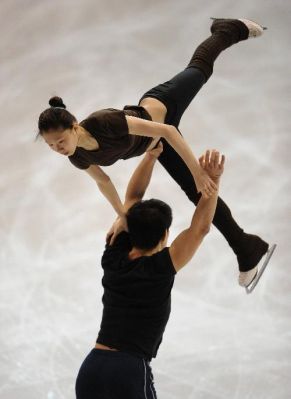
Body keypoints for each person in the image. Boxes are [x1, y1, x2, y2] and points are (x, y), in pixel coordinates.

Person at [37, 18, 270, 286]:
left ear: (74, 127)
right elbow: (103, 182)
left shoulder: (104, 122)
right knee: (200, 195)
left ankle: (229, 30)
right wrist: (122, 217)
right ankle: (246, 247)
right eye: (51, 146)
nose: (58, 149)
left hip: (163, 106)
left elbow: (168, 130)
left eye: (60, 141)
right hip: (158, 143)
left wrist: (197, 172)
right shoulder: (77, 156)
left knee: (200, 69)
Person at [75, 144, 225, 399]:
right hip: (127, 372)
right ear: (166, 235)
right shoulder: (160, 268)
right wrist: (213, 182)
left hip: (91, 369)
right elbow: (200, 229)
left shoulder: (114, 254)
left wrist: (150, 156)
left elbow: (132, 198)